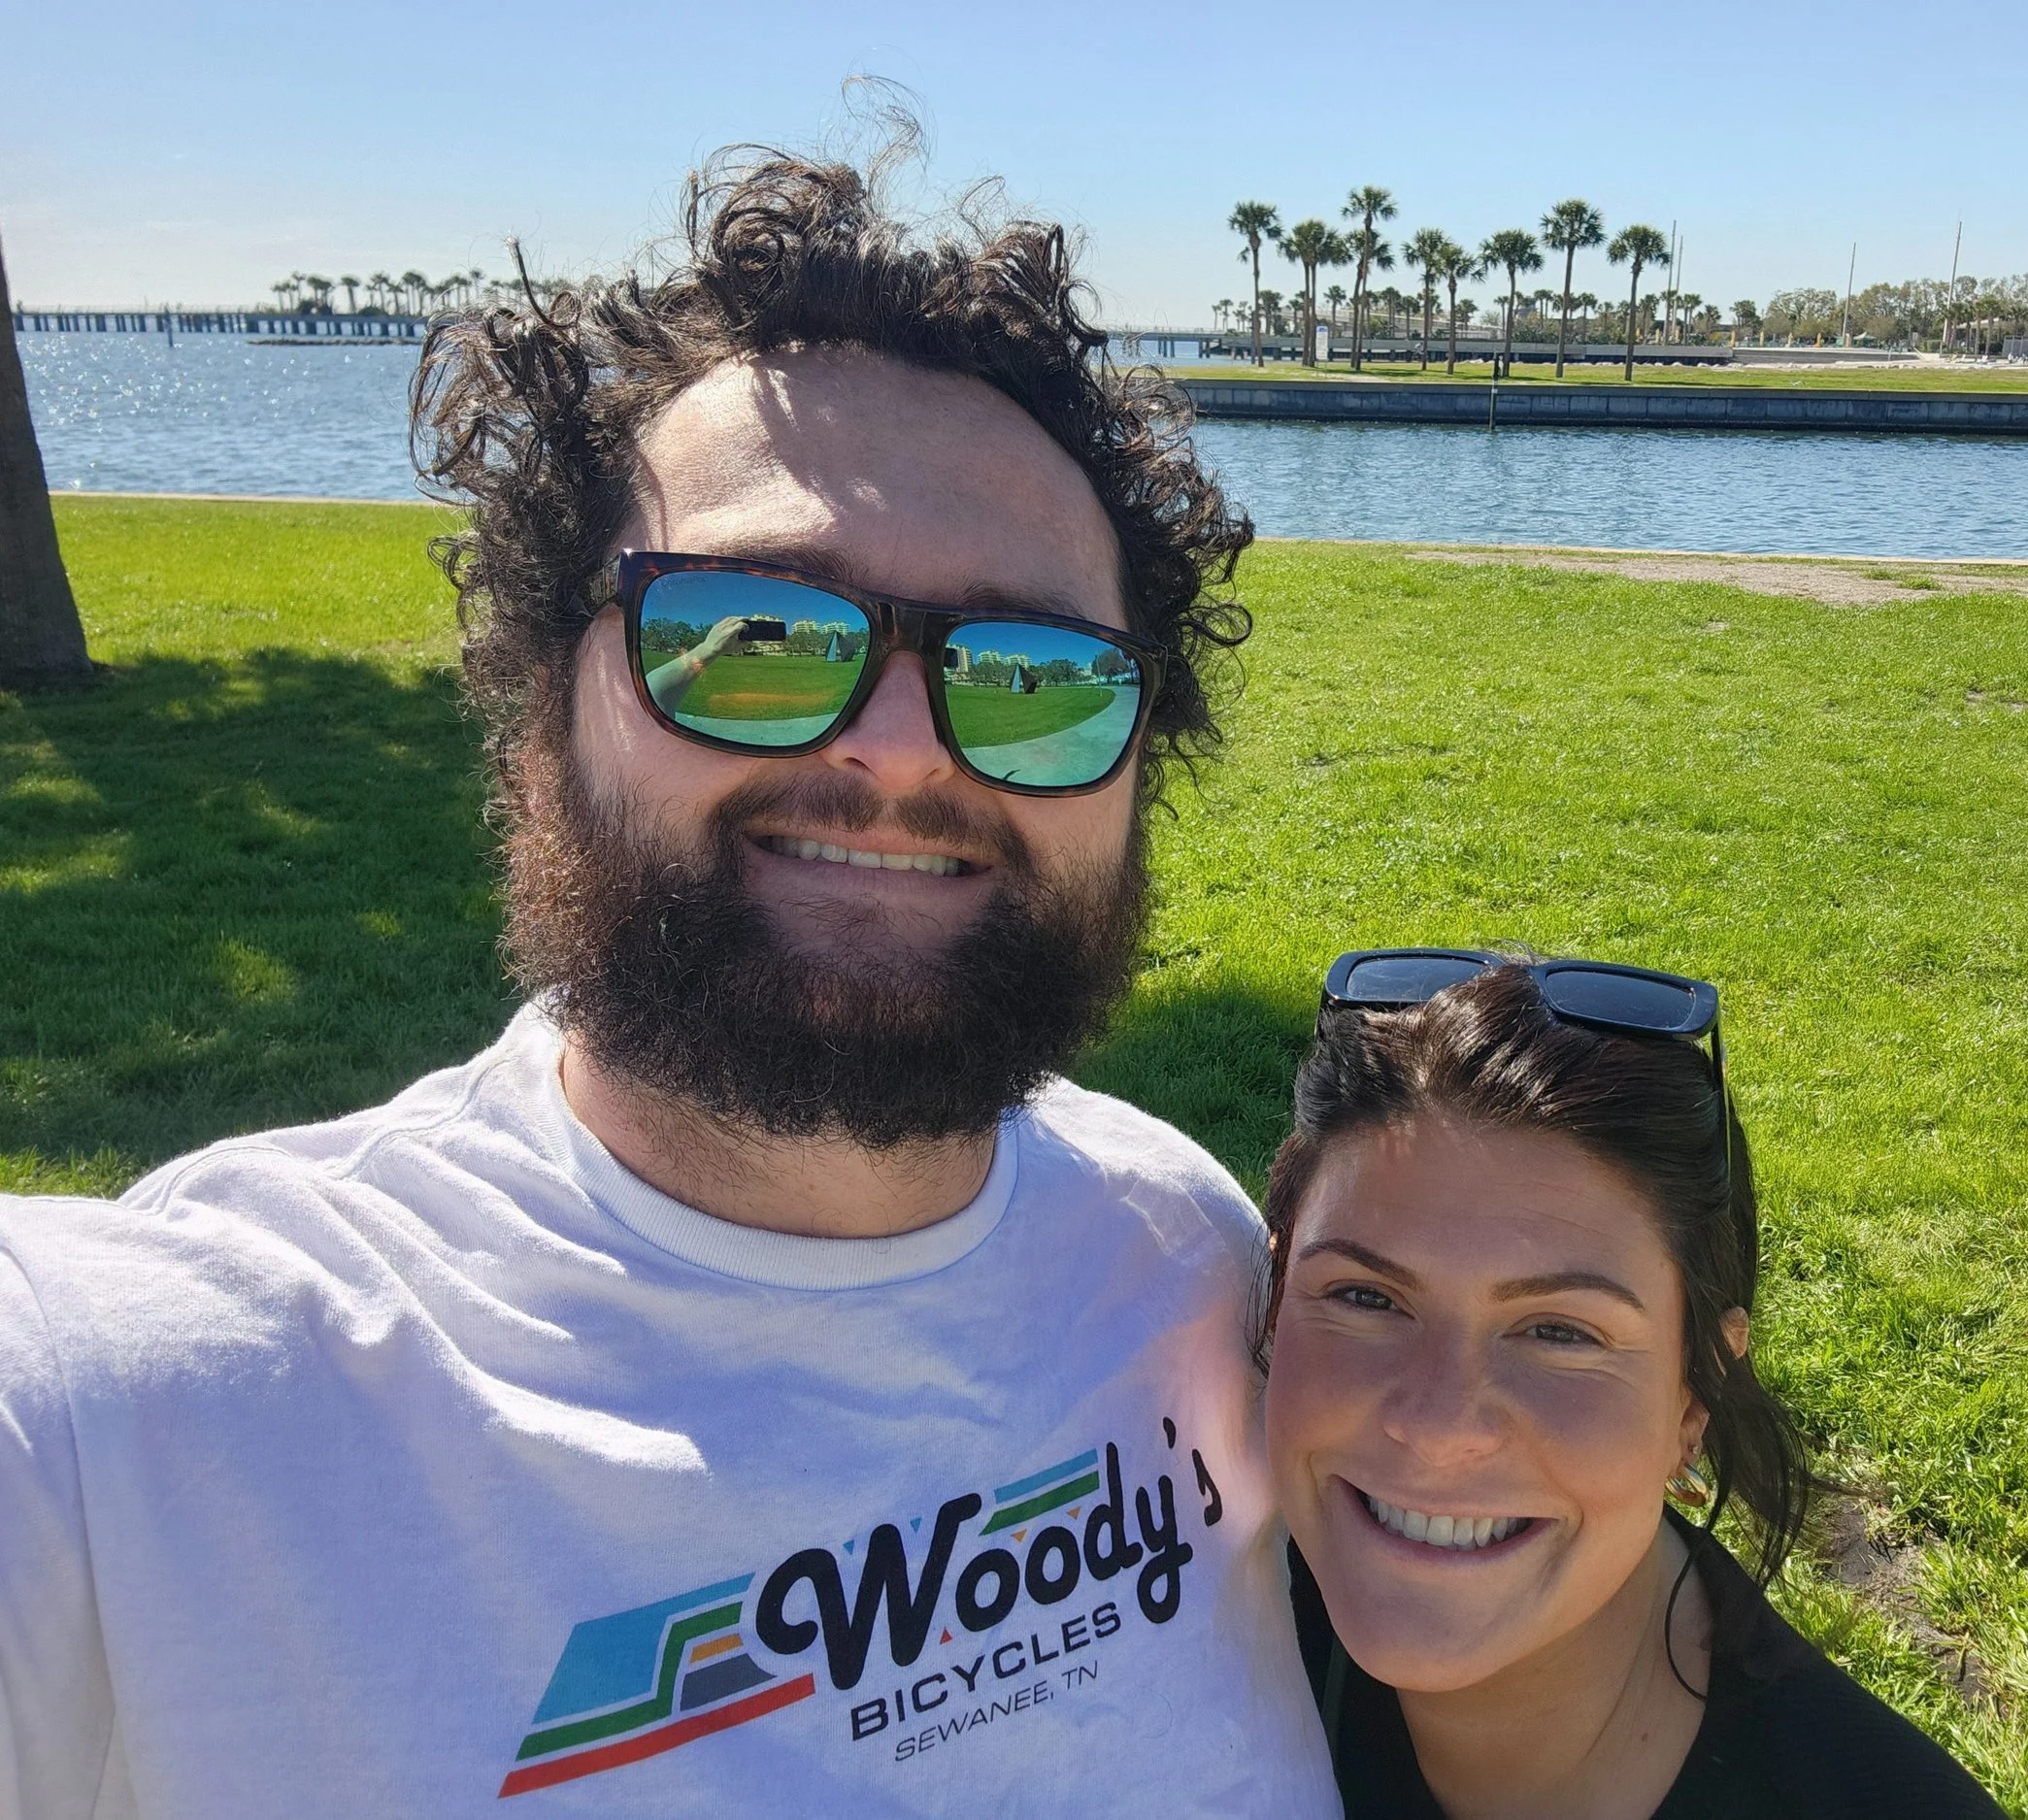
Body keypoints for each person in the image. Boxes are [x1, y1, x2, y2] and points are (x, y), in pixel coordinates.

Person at [0, 152, 1339, 1817]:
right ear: (541, 726)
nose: (902, 750)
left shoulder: (1185, 1251)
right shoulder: (134, 1406)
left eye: (1032, 675)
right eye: (751, 634)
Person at [1260, 952, 2007, 1819]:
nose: (1438, 1426)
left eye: (1559, 1331)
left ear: (1694, 1396)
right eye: (1366, 1297)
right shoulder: (1178, 1600)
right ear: (1274, 1299)